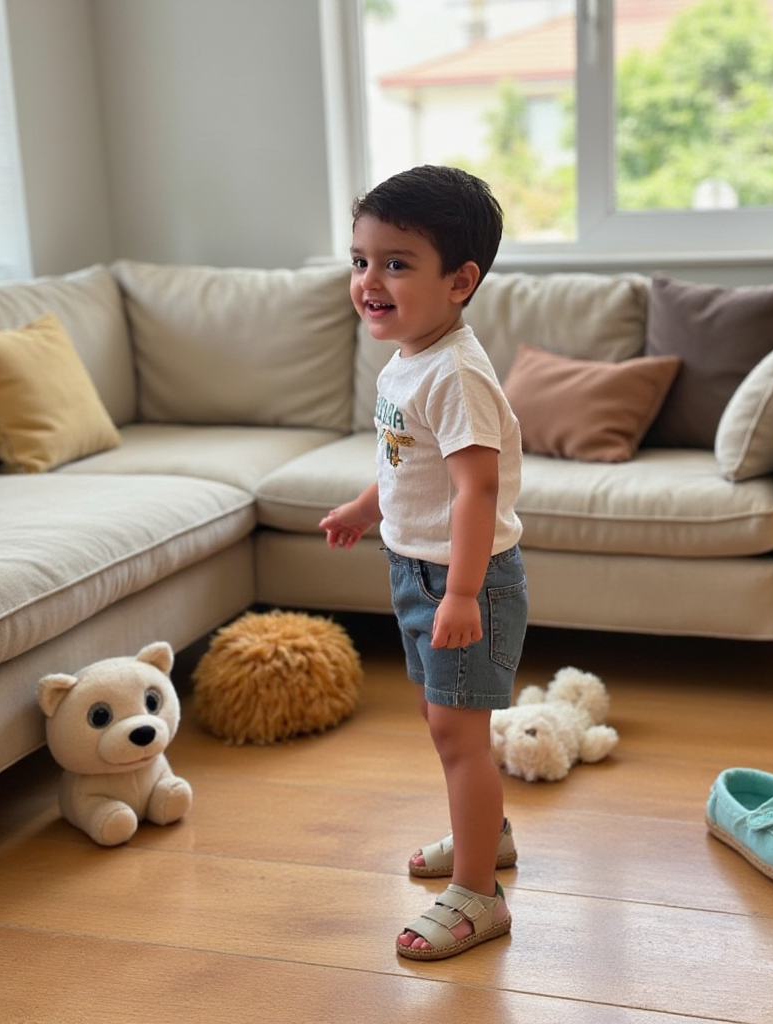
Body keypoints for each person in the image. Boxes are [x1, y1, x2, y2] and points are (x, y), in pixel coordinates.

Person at [319, 165, 527, 961]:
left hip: (460, 581)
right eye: (360, 259)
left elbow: (478, 488)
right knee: (443, 723)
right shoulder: (408, 357)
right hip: (416, 572)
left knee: (459, 736)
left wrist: (465, 592)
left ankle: (479, 894)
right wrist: (367, 507)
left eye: (397, 263)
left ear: (461, 281)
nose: (370, 280)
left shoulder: (457, 371)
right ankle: (488, 836)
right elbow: (412, 460)